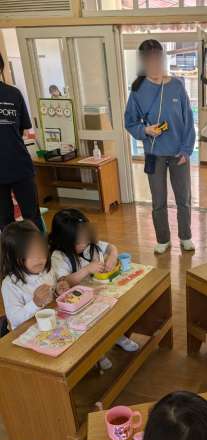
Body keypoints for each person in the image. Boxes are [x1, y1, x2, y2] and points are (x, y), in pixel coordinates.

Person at [125, 40, 196, 255]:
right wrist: (146, 130)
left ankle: (185, 236)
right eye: (149, 61)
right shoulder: (138, 90)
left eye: (157, 59)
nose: (154, 65)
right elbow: (130, 122)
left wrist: (186, 150)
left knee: (183, 199)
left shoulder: (177, 86)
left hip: (178, 154)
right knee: (158, 201)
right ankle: (163, 239)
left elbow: (188, 120)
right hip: (154, 154)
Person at [49, 208, 140, 370]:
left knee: (113, 313)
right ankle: (99, 353)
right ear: (65, 240)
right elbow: (64, 282)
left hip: (97, 293)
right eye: (79, 241)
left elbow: (111, 247)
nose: (84, 243)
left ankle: (117, 336)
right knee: (92, 325)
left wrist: (112, 257)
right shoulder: (58, 256)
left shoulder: (90, 245)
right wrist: (87, 269)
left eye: (85, 237)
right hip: (78, 302)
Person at [0, 53, 43, 232]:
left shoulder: (13, 94)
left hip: (20, 165)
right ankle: (12, 251)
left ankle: (39, 248)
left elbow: (22, 129)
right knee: (5, 220)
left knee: (32, 216)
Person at [0, 220, 69, 331]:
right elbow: (14, 320)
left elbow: (51, 297)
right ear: (15, 257)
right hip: (26, 331)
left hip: (51, 323)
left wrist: (58, 290)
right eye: (30, 253)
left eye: (41, 250)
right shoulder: (10, 284)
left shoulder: (47, 270)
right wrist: (35, 303)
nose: (38, 257)